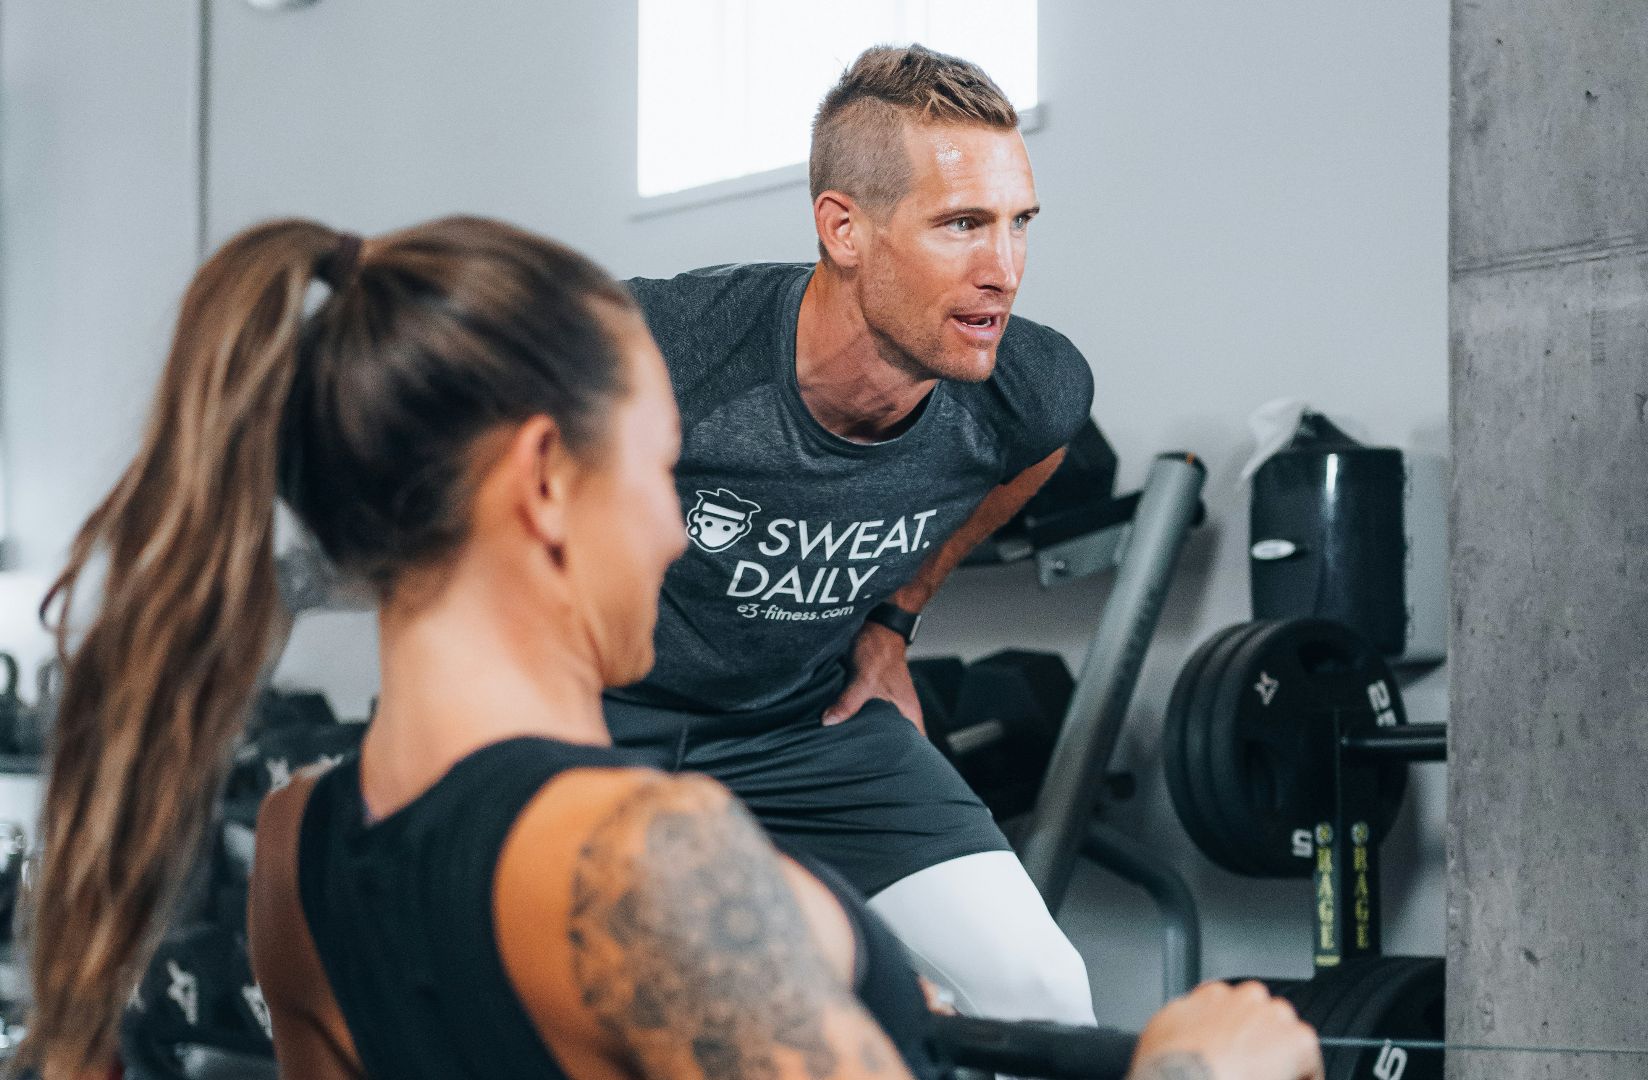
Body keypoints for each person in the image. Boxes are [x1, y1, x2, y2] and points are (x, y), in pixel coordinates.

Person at [19, 215, 1323, 1080]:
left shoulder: (302, 852)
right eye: (660, 471)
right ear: (543, 482)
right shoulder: (643, 864)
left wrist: (848, 985)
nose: (675, 534)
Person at [606, 44, 1098, 1027]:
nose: (1003, 270)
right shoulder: (664, 346)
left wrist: (897, 616)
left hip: (806, 728)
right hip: (607, 725)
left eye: (1018, 225)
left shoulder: (1029, 387)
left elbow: (1039, 451)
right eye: (962, 225)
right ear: (845, 229)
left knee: (1042, 994)